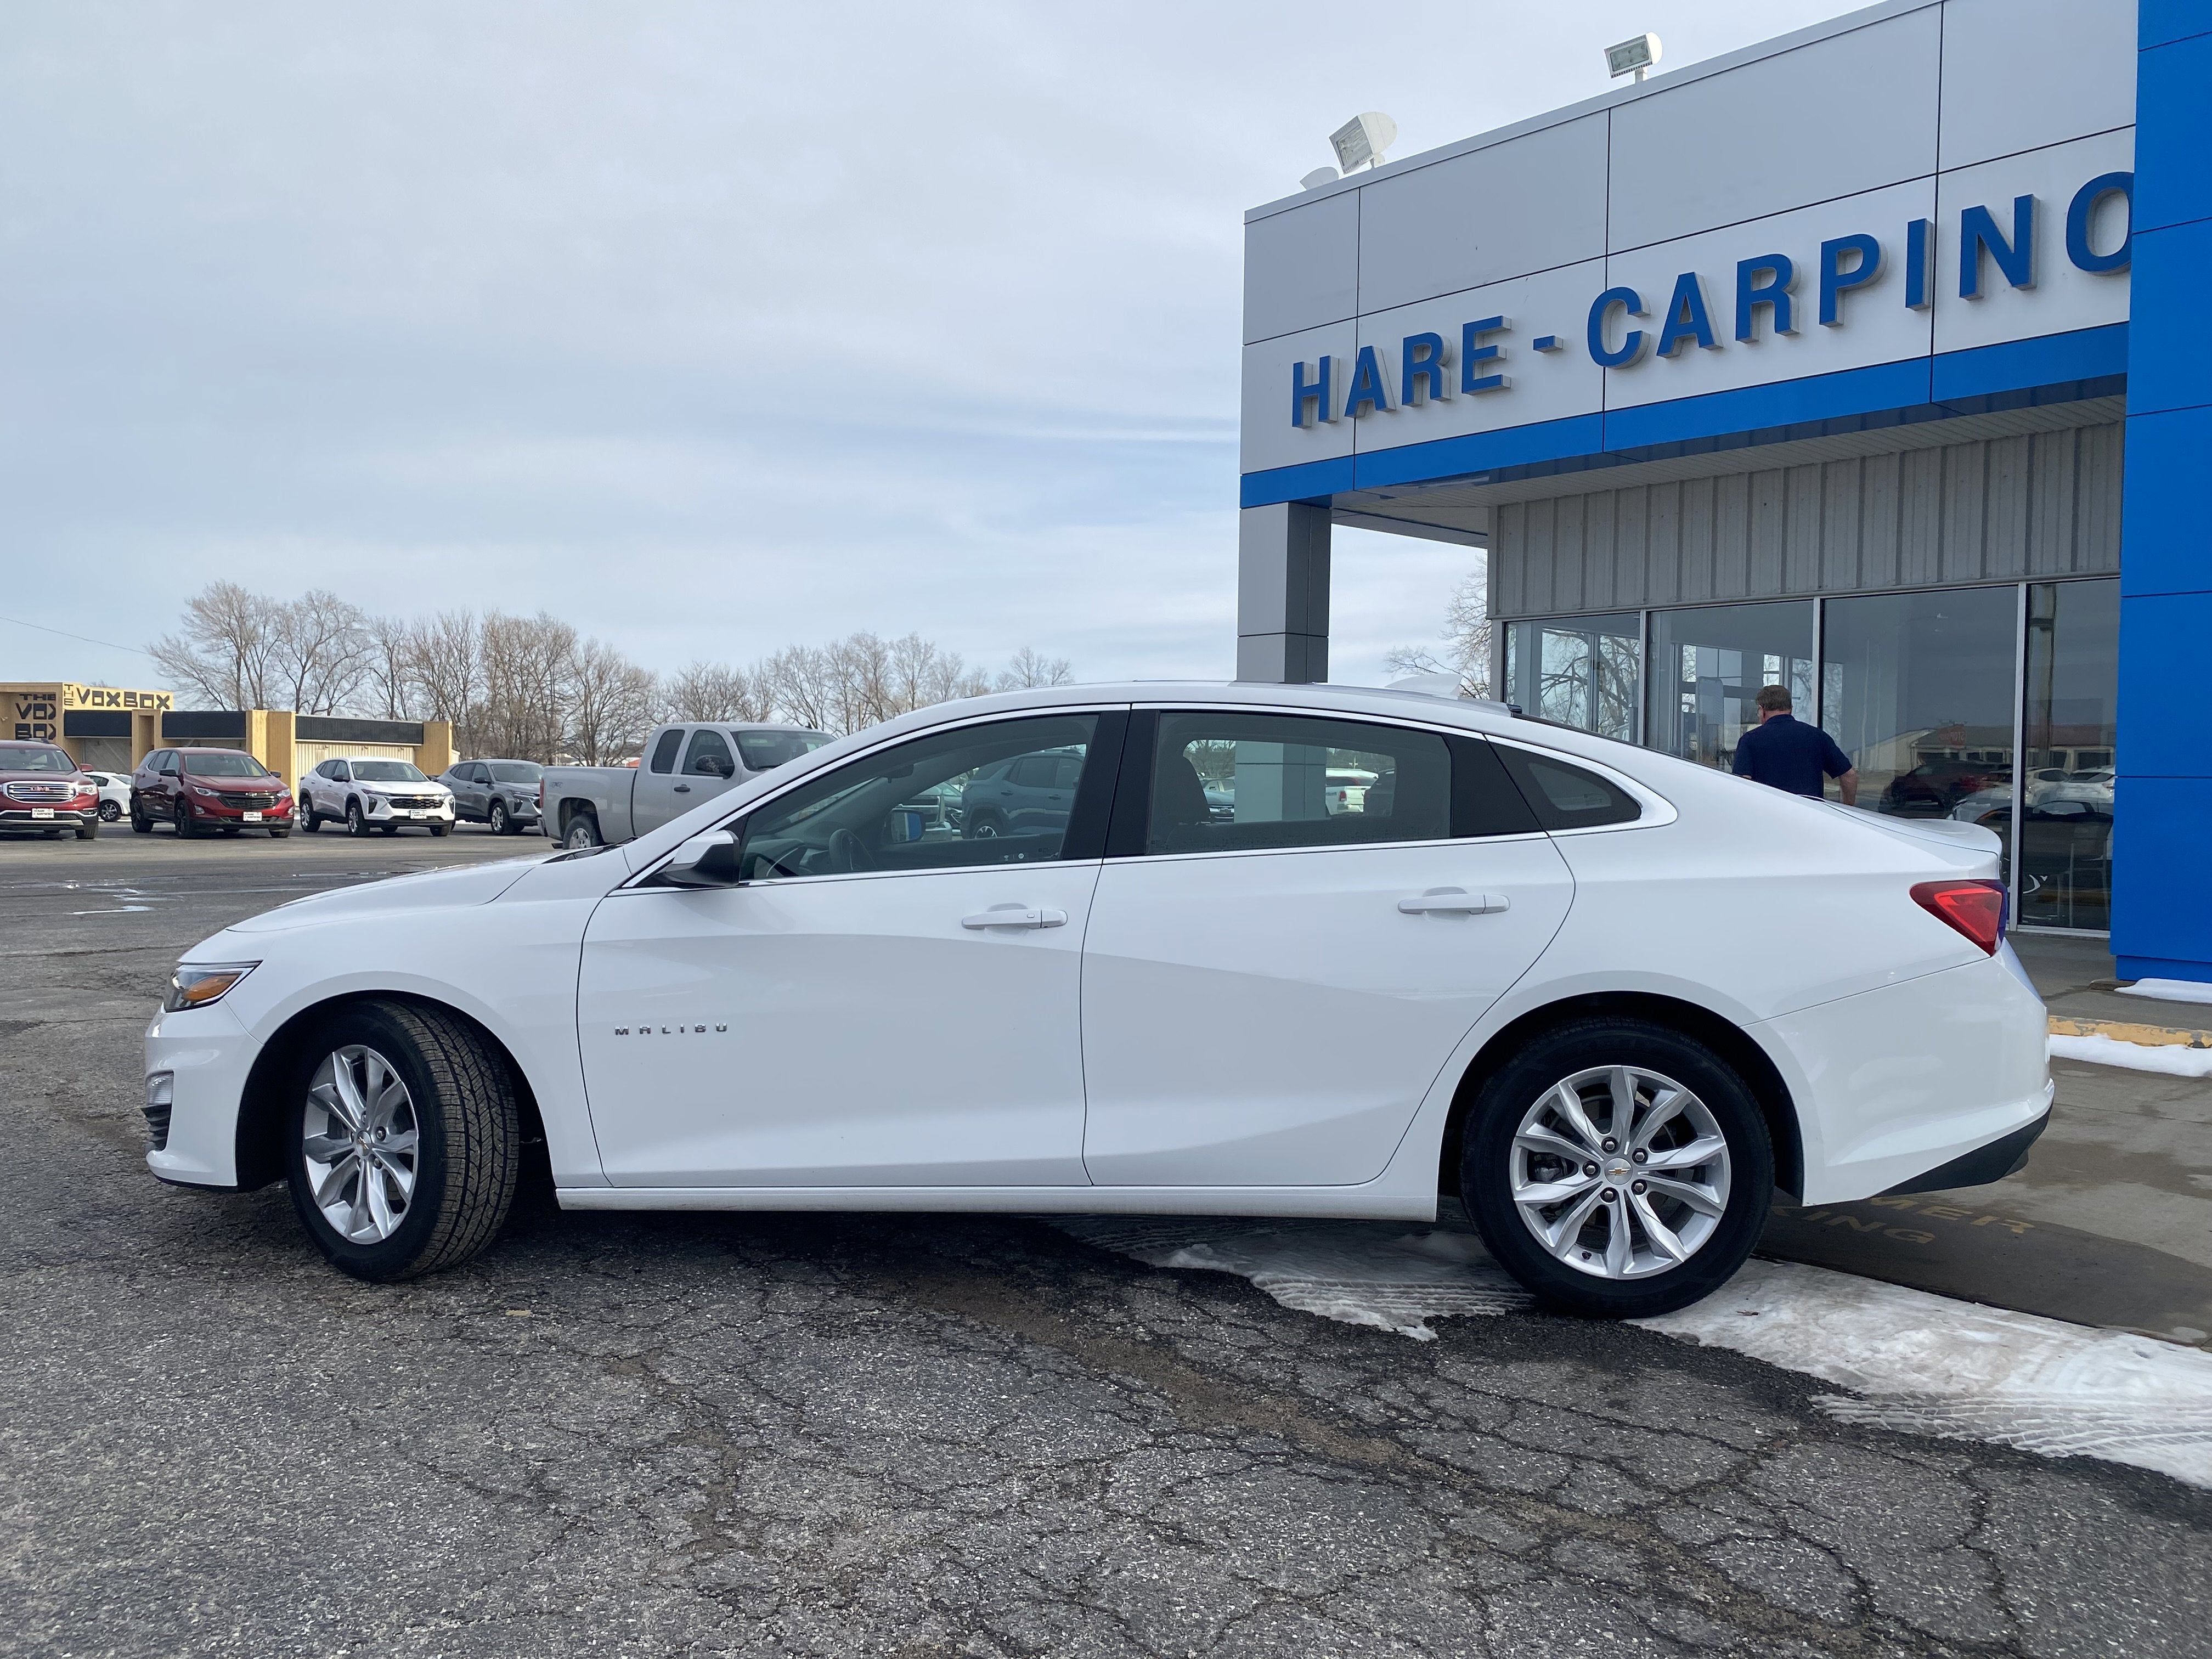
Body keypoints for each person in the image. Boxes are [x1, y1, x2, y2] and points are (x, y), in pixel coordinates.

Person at [1731, 685, 1858, 804]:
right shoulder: (1817, 736)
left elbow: (1742, 784)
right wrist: (1848, 808)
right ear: (1791, 709)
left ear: (1762, 709)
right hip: (1811, 818)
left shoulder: (1750, 740)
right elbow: (1849, 775)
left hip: (1768, 816)